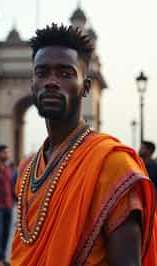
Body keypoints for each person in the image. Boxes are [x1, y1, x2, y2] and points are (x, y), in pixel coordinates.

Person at [11, 24, 157, 266]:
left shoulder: (112, 165)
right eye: (42, 73)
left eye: (65, 73)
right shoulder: (27, 170)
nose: (51, 82)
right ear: (32, 84)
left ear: (86, 87)